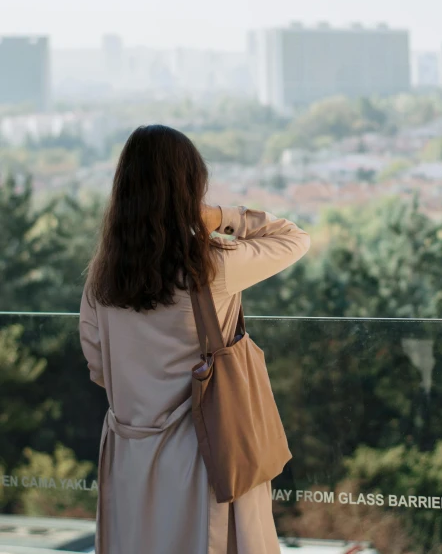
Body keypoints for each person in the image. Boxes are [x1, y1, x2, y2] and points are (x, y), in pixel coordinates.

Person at [79, 124, 311, 554]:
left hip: (130, 455)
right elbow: (295, 239)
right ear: (190, 187)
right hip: (208, 453)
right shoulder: (213, 265)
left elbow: (98, 369)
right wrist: (223, 216)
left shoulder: (101, 277)